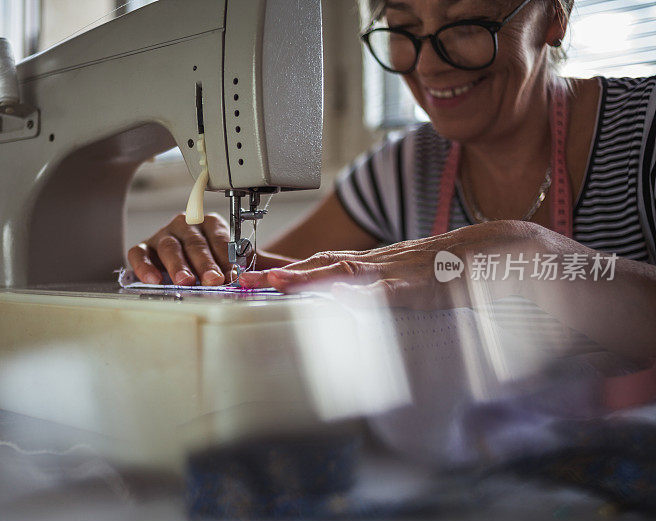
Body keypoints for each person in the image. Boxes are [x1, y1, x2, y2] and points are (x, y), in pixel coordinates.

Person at [127, 0, 656, 365]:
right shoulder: (399, 173)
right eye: (402, 28)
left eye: (468, 24)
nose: (427, 65)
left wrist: (522, 253)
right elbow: (259, 289)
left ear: (553, 17)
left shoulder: (647, 134)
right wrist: (198, 262)